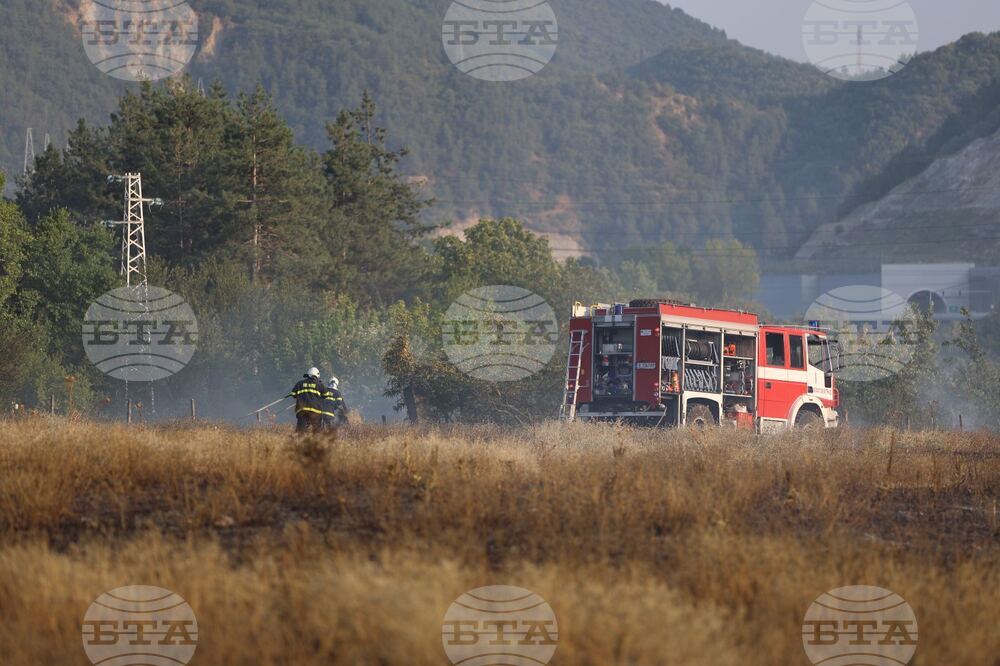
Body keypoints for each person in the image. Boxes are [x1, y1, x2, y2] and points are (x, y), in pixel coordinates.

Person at [288, 367, 327, 433]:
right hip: (315, 411)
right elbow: (326, 395)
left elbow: (293, 394)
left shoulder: (299, 384)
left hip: (302, 411)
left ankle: (299, 441)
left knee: (301, 432)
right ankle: (317, 442)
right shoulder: (320, 384)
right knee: (317, 432)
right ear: (316, 376)